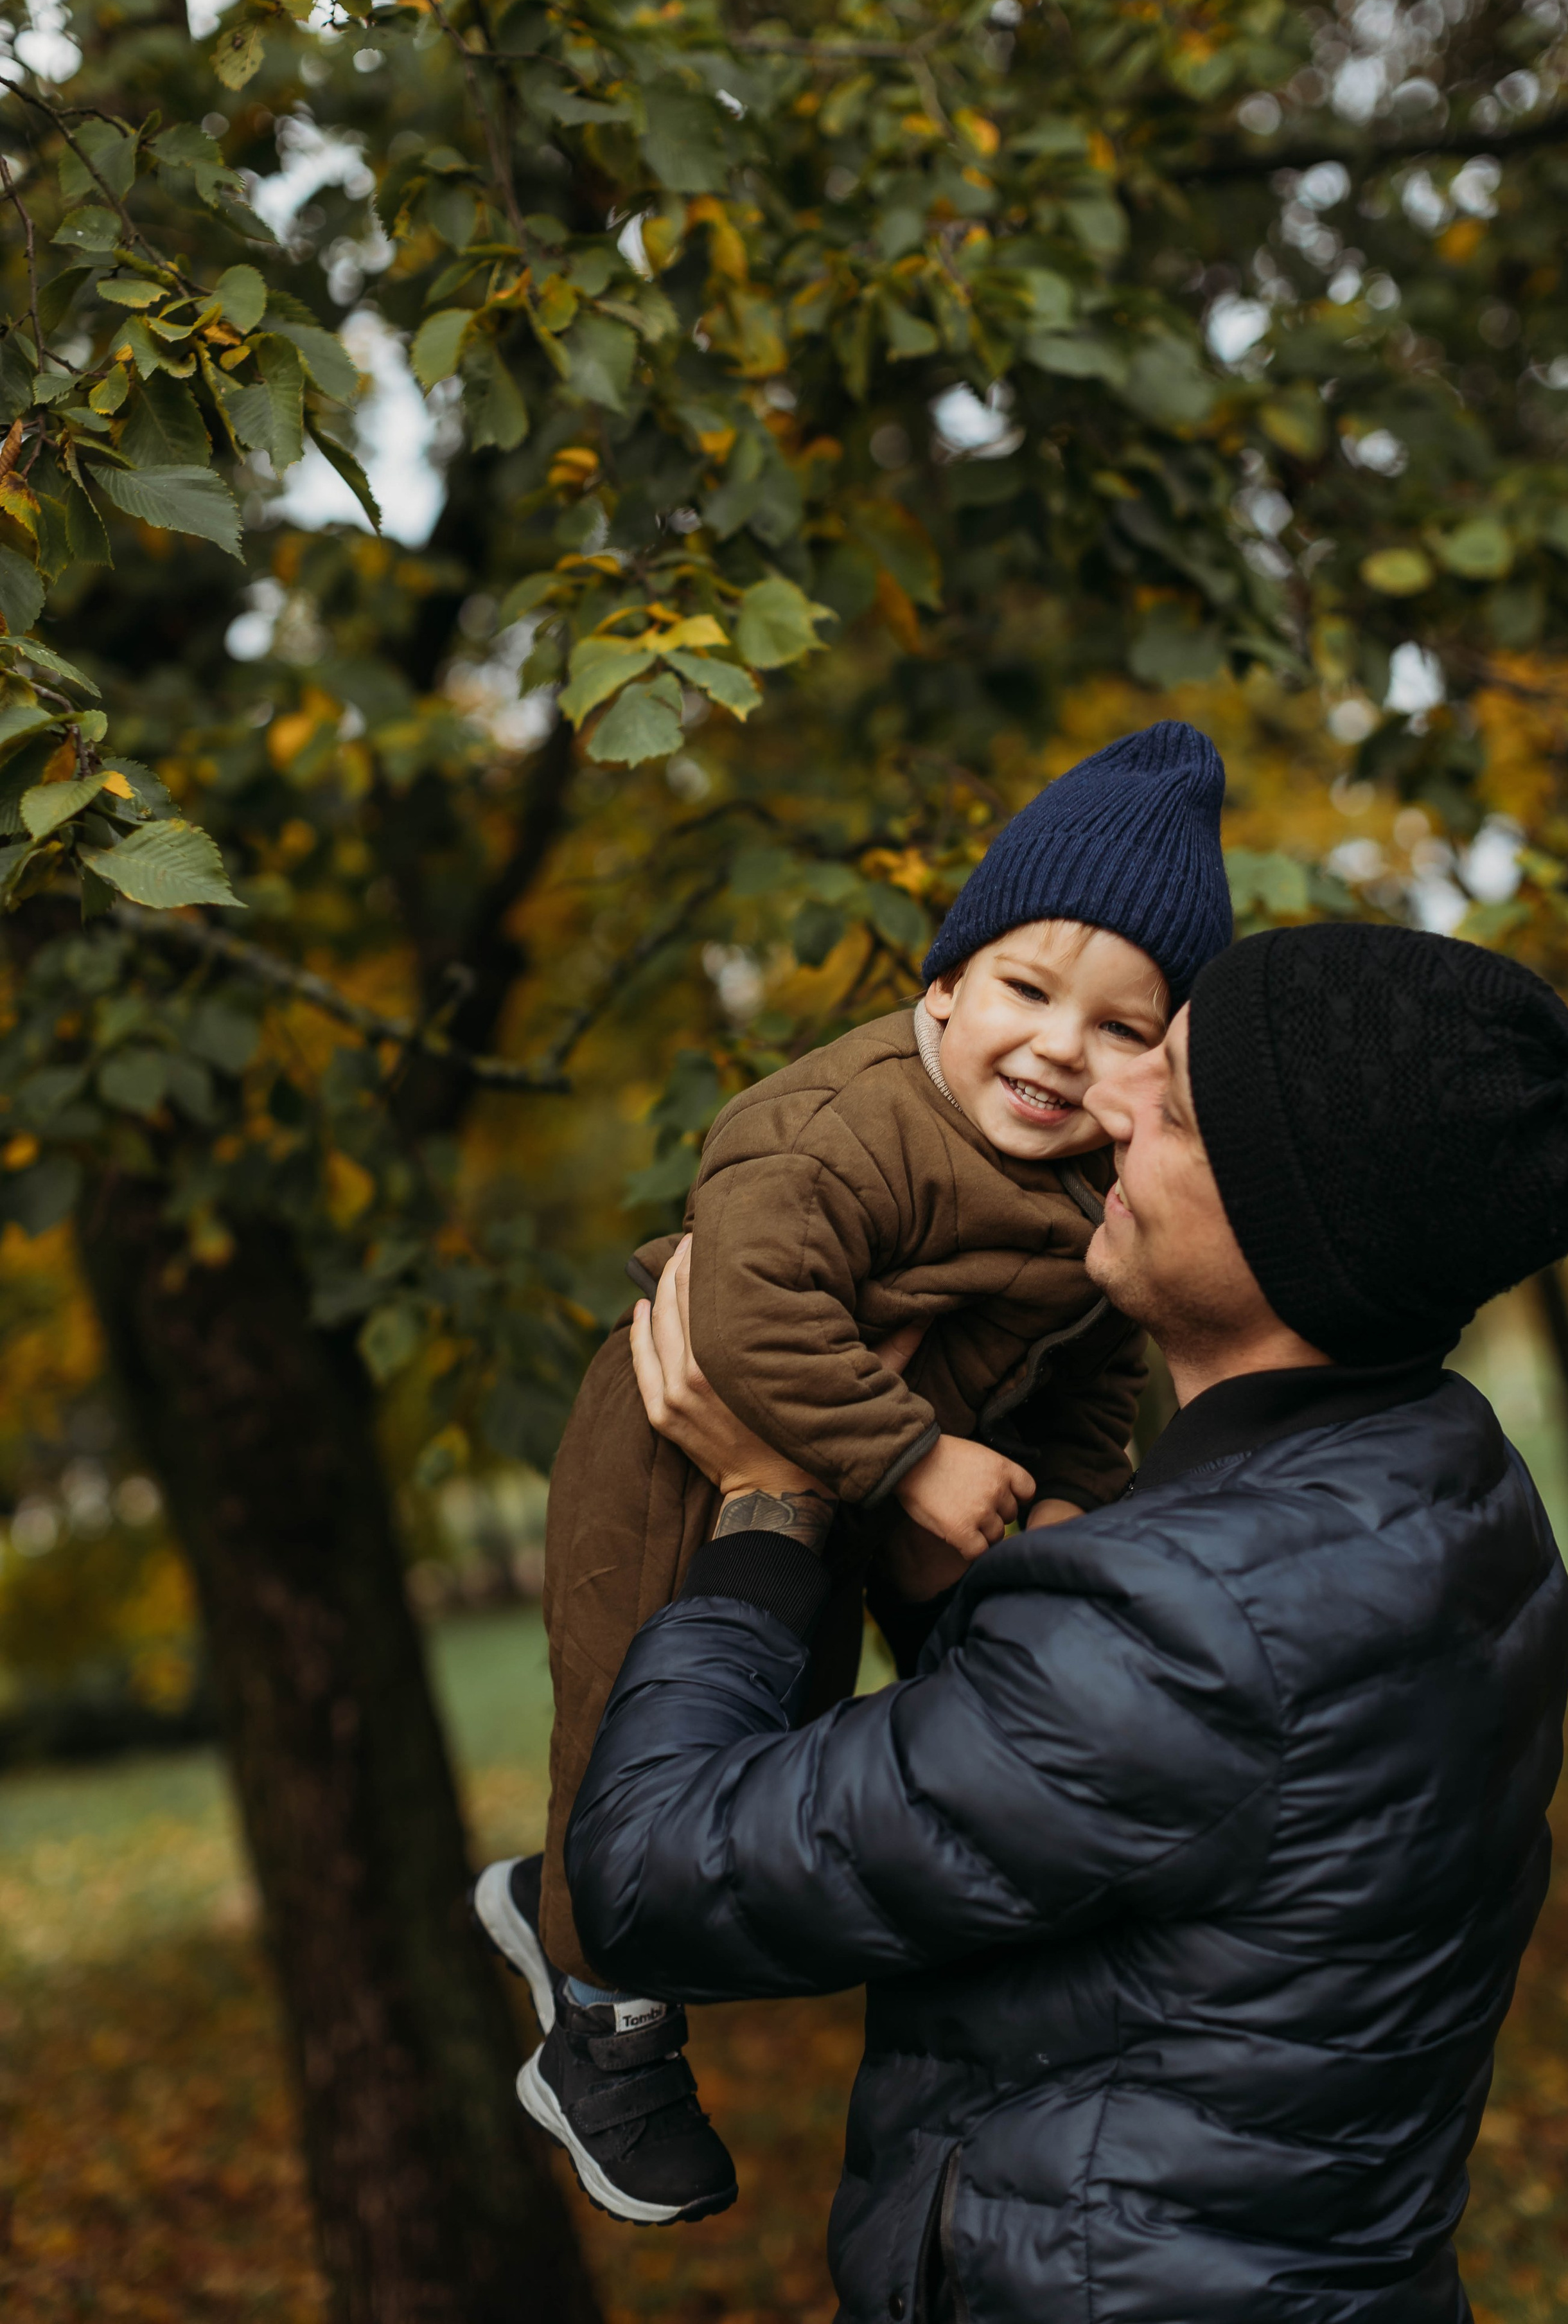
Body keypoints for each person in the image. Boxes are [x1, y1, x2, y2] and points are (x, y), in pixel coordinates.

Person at [558, 921, 1568, 2321]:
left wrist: (771, 1507)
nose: (1108, 1094)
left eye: (1171, 1097)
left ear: (1285, 1229)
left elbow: (646, 1882)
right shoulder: (1447, 1485)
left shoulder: (1188, 1622)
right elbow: (1065, 1794)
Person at [471, 722, 1234, 2224]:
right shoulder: (839, 1127)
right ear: (940, 983)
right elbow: (747, 1314)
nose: (1055, 1050)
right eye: (1023, 990)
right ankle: (598, 2018)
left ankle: (542, 1898)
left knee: (783, 1738)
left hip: (882, 1476)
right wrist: (910, 1458)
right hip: (678, 1448)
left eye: (1119, 1028)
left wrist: (1077, 1497)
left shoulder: (1089, 1190)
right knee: (634, 1704)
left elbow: (1085, 1363)